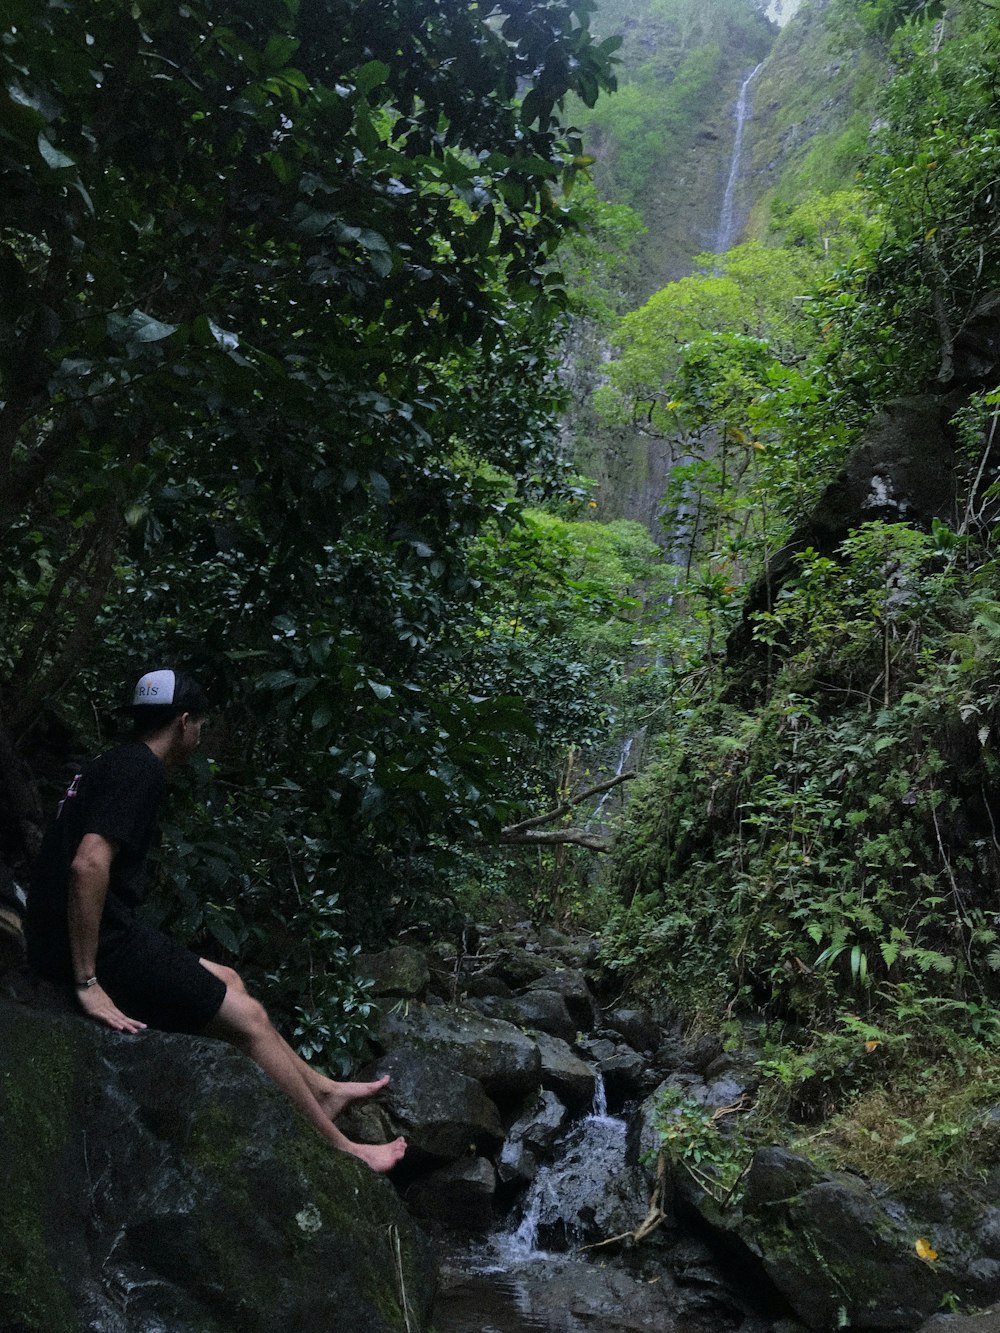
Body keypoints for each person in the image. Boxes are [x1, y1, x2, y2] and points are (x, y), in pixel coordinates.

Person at [25, 668, 406, 1173]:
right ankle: (345, 1150)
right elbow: (87, 864)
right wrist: (87, 980)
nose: (200, 734)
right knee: (247, 1020)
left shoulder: (114, 762)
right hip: (89, 944)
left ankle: (323, 1088)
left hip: (83, 929)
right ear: (184, 723)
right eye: (199, 724)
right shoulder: (141, 772)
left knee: (228, 979)